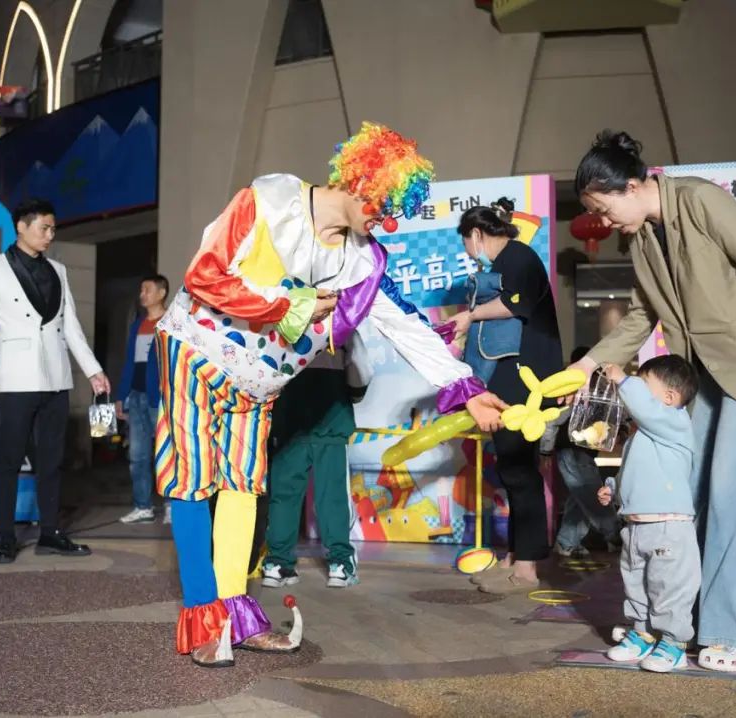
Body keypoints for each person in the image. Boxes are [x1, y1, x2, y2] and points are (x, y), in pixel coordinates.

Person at [155, 122, 507, 667]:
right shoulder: (268, 201)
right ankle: (204, 619)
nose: (387, 220)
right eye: (384, 205)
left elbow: (405, 325)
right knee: (193, 482)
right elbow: (206, 275)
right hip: (194, 357)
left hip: (258, 383)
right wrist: (293, 304)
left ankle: (235, 616)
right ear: (360, 182)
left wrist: (465, 388)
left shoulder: (362, 262)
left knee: (243, 486)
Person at [567, 131, 736, 672]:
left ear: (631, 186)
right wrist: (587, 365)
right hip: (699, 379)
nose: (604, 222)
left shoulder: (701, 199)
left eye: (604, 209)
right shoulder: (642, 239)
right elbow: (644, 313)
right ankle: (684, 626)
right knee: (691, 500)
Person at [0, 198, 111, 563]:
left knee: (52, 461)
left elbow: (71, 328)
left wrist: (93, 370)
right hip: (15, 379)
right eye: (43, 228)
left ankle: (50, 533)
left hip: (55, 378)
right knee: (8, 460)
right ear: (21, 226)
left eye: (52, 229)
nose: (50, 235)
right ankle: (5, 537)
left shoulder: (58, 270)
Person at [449, 198, 564, 595]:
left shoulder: (518, 257)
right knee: (513, 470)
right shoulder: (506, 262)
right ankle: (516, 556)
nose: (469, 252)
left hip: (524, 379)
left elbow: (517, 302)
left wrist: (471, 316)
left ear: (476, 234)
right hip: (510, 377)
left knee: (519, 471)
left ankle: (528, 567)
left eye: (466, 242)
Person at [595, 355, 698, 672]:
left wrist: (624, 380)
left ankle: (674, 643)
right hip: (635, 526)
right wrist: (613, 488)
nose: (634, 391)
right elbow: (634, 473)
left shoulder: (675, 422)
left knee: (669, 586)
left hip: (668, 526)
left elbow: (646, 408)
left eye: (643, 385)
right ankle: (642, 633)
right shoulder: (642, 434)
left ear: (669, 397)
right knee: (636, 584)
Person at [260, 332, 371, 589]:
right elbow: (361, 370)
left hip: (289, 422)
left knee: (284, 496)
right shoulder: (341, 326)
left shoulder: (281, 322)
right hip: (330, 420)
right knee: (332, 496)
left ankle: (277, 564)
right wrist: (353, 394)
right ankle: (340, 565)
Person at [541, 346, 620, 559]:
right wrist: (545, 451)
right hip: (572, 453)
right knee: (592, 496)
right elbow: (551, 421)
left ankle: (567, 542)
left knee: (580, 497)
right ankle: (615, 536)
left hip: (579, 453)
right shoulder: (573, 389)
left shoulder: (592, 388)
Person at [116, 274, 168, 524]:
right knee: (137, 456)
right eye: (141, 290)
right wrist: (121, 396)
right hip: (136, 397)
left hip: (160, 398)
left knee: (166, 454)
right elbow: (129, 362)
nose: (142, 295)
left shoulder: (170, 323)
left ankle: (171, 505)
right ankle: (142, 506)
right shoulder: (138, 325)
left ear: (161, 293)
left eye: (146, 290)